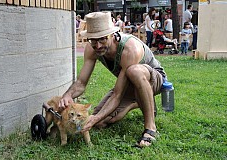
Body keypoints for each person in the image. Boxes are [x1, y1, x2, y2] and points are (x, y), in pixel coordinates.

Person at [59, 11, 167, 148]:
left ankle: (150, 127)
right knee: (99, 122)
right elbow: (81, 83)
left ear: (112, 35)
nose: (97, 46)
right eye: (93, 40)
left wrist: (96, 116)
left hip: (154, 80)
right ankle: (138, 102)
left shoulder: (130, 48)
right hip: (130, 86)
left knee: (134, 70)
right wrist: (67, 95)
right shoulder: (91, 49)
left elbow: (117, 95)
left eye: (102, 39)